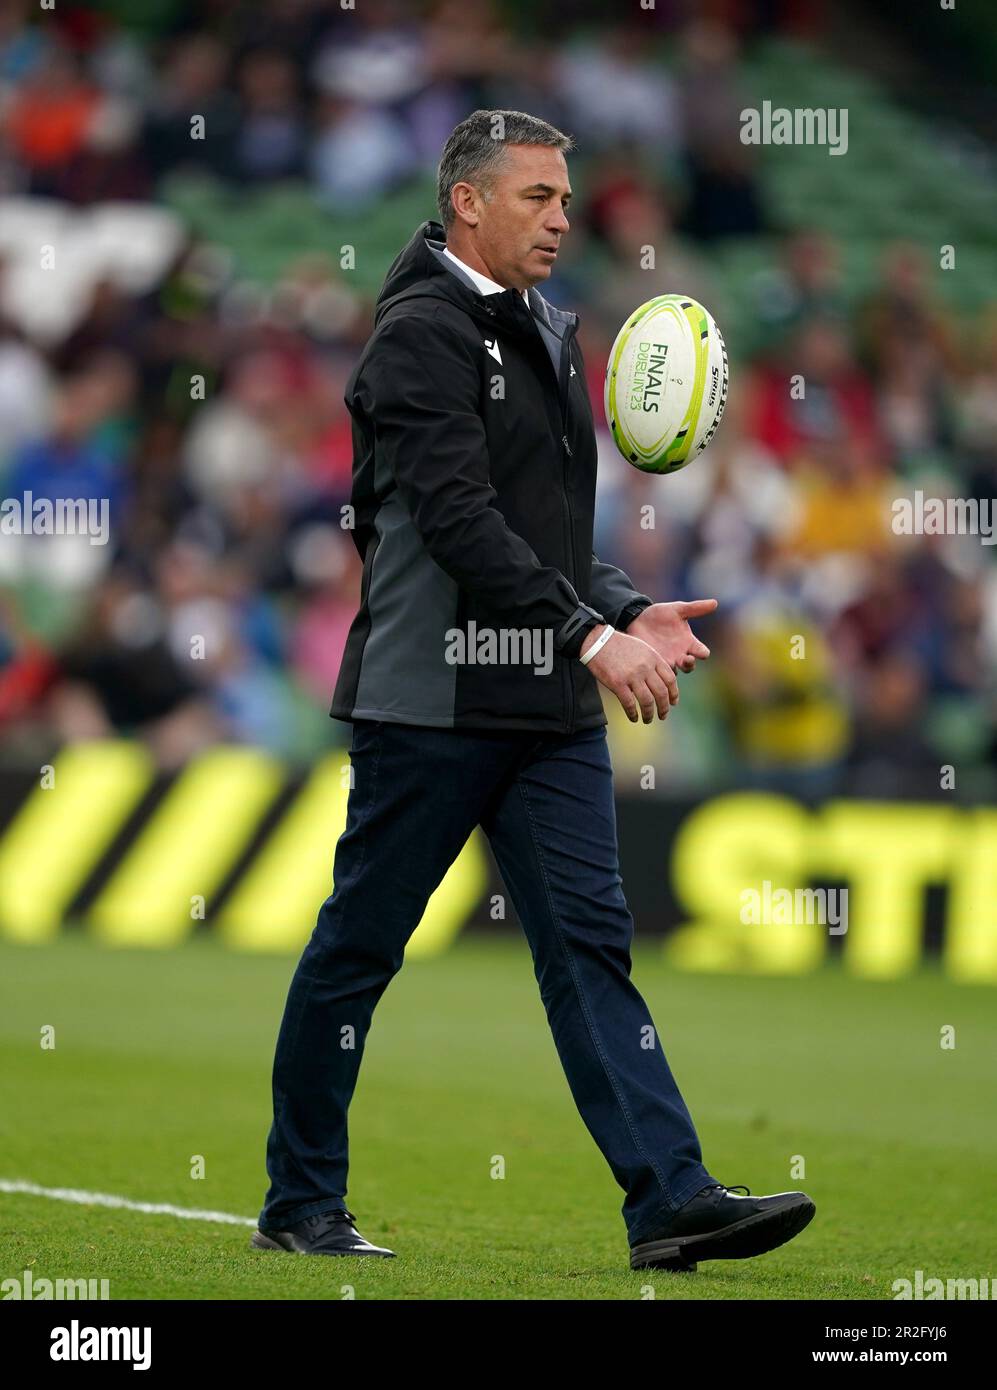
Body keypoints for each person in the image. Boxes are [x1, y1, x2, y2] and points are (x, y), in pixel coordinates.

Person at [251, 109, 815, 1272]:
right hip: (433, 698)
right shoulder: (415, 332)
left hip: (544, 706)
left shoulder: (548, 328)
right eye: (538, 197)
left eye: (565, 199)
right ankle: (299, 1199)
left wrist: (613, 608)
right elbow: (457, 520)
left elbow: (542, 532)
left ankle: (668, 1198)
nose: (565, 218)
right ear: (467, 201)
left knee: (589, 949)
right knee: (361, 947)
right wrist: (585, 634)